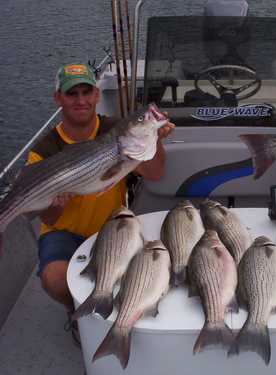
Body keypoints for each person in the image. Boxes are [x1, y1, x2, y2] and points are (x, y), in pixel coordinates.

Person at [26, 63, 175, 322]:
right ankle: (75, 313)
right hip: (64, 233)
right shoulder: (43, 150)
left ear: (97, 95)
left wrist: (155, 137)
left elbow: (154, 174)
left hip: (113, 225)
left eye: (87, 92)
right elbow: (48, 220)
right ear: (58, 98)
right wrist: (57, 203)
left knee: (142, 272)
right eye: (72, 94)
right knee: (56, 279)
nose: (81, 100)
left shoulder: (116, 130)